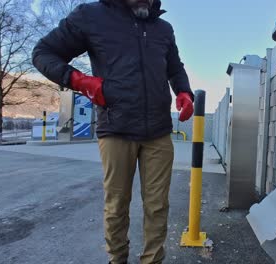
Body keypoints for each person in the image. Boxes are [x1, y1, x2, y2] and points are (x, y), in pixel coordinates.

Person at [32, 0, 194, 263]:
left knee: (158, 205)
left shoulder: (163, 29)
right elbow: (43, 52)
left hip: (159, 130)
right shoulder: (91, 15)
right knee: (117, 205)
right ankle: (117, 259)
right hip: (116, 127)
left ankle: (153, 260)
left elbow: (174, 67)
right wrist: (79, 80)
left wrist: (184, 91)